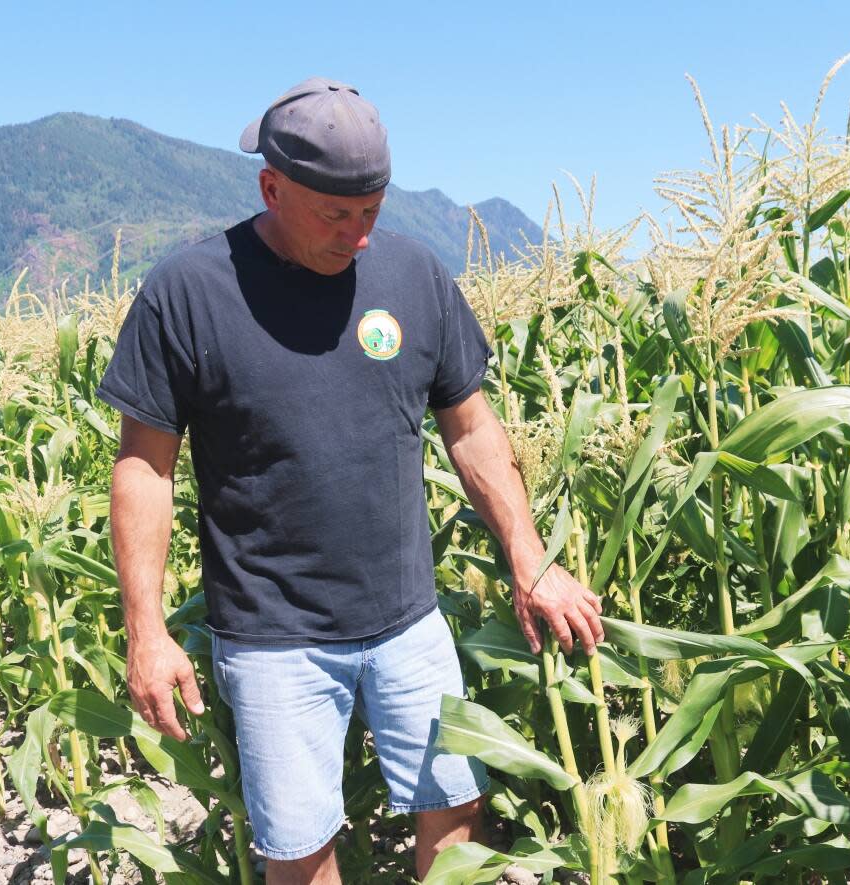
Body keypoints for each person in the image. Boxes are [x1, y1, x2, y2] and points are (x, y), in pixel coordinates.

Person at [97, 78, 604, 885]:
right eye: (335, 214)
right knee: (298, 851)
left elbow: (471, 427)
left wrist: (529, 557)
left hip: (409, 620)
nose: (358, 236)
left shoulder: (412, 274)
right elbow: (143, 467)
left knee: (456, 808)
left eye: (371, 211)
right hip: (273, 639)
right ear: (270, 186)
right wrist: (146, 631)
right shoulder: (188, 294)